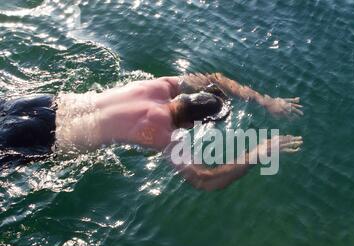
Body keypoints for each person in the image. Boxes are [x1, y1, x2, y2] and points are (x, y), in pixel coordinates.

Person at [0, 73, 303, 190]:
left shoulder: (160, 85)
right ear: (192, 124)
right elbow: (205, 180)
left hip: (42, 103)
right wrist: (259, 152)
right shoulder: (166, 137)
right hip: (39, 140)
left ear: (182, 96)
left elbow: (215, 78)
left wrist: (265, 100)